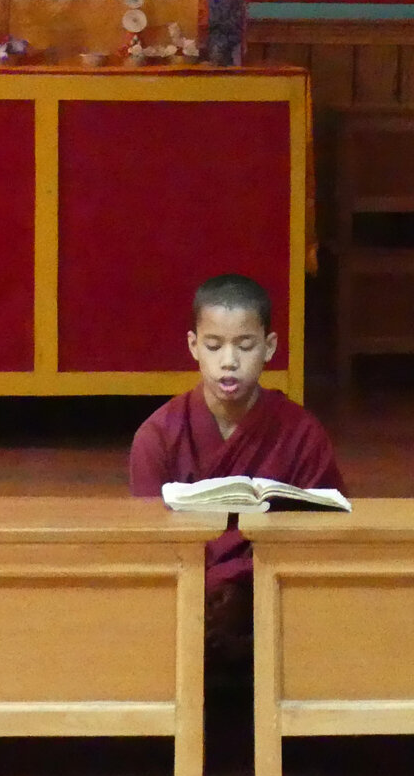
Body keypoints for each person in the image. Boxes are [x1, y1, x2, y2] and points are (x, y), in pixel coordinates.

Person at [129, 274, 343, 661]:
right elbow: (148, 551)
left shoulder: (301, 433)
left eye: (245, 346)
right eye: (214, 345)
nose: (229, 362)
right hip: (186, 605)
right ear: (194, 346)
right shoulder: (159, 435)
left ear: (269, 347)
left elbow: (325, 540)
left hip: (270, 607)